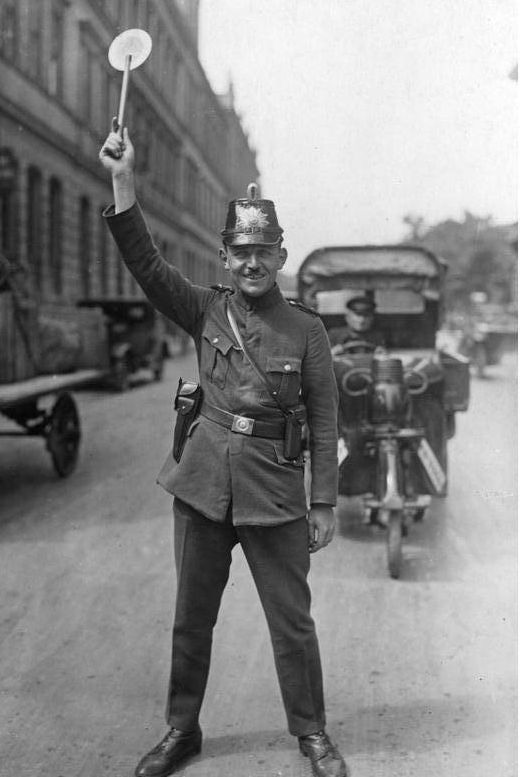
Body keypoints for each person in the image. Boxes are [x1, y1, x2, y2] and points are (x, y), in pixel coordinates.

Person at [99, 126, 346, 777]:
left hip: (274, 493)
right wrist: (123, 180)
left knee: (292, 625)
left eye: (262, 252)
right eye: (240, 252)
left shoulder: (307, 331)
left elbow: (323, 420)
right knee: (190, 621)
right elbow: (147, 264)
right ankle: (181, 729)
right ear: (224, 255)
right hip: (204, 482)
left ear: (280, 254)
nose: (251, 264)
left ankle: (311, 733)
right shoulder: (204, 309)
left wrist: (322, 502)